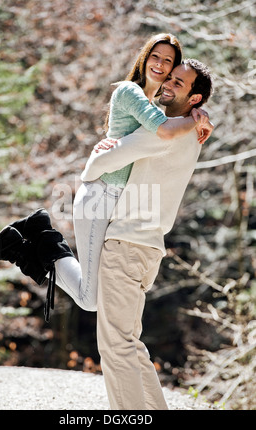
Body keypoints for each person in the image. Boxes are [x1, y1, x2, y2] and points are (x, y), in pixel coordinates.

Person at [0, 34, 212, 322]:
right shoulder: (130, 92)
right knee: (90, 299)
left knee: (95, 297)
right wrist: (198, 118)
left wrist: (199, 113)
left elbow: (162, 127)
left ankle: (33, 234)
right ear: (145, 57)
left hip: (111, 202)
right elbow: (166, 131)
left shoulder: (152, 105)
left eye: (169, 64)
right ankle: (29, 242)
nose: (161, 67)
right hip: (99, 195)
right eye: (156, 57)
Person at [81, 59, 214, 409]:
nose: (167, 84)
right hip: (146, 249)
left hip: (127, 244)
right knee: (129, 343)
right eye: (169, 78)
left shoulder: (166, 132)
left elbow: (98, 167)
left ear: (195, 98)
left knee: (116, 346)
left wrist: (100, 151)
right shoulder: (188, 134)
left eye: (179, 83)